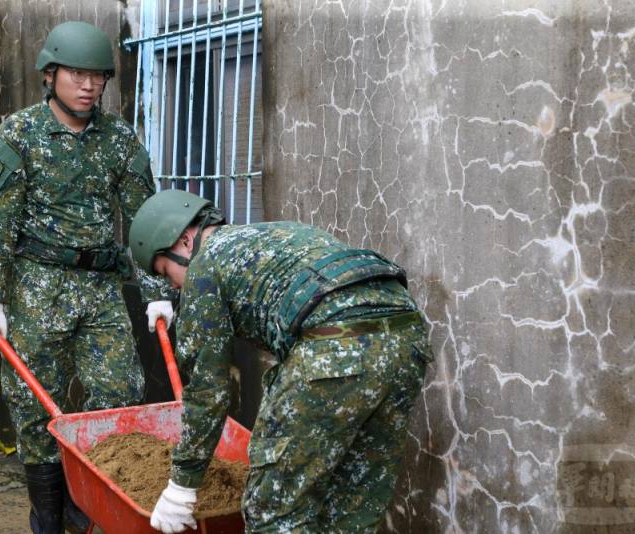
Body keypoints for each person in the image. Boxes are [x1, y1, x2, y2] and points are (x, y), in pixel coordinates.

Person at [0, 21, 174, 534]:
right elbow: (2, 223)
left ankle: (88, 508)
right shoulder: (20, 132)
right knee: (35, 402)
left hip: (102, 290)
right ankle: (48, 514)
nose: (88, 85)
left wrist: (155, 293)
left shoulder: (119, 139)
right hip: (36, 287)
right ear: (50, 74)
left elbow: (143, 221)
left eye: (98, 76)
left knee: (118, 393)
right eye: (77, 74)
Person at [129, 190, 433, 533]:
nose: (173, 285)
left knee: (272, 509)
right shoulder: (277, 234)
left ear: (185, 240)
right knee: (352, 505)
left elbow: (207, 392)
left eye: (167, 273)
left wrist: (182, 487)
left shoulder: (205, 265)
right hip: (407, 338)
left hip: (334, 345)